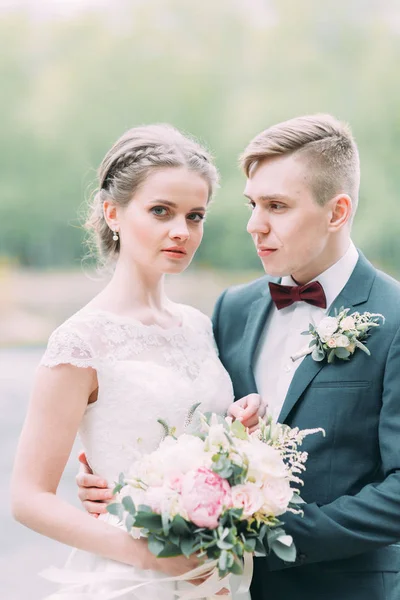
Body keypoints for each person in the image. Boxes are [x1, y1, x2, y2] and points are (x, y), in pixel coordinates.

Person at [78, 114, 400, 600]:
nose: (255, 225)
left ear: (336, 212)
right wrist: (129, 484)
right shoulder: (234, 309)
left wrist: (270, 531)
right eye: (252, 204)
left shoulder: (393, 317)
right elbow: (200, 429)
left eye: (277, 206)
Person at [11, 124, 261, 599]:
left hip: (219, 577)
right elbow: (28, 499)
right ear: (113, 213)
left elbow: (196, 441)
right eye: (161, 211)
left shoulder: (198, 325)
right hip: (135, 579)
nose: (181, 231)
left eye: (195, 215)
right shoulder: (80, 342)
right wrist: (146, 553)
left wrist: (241, 432)